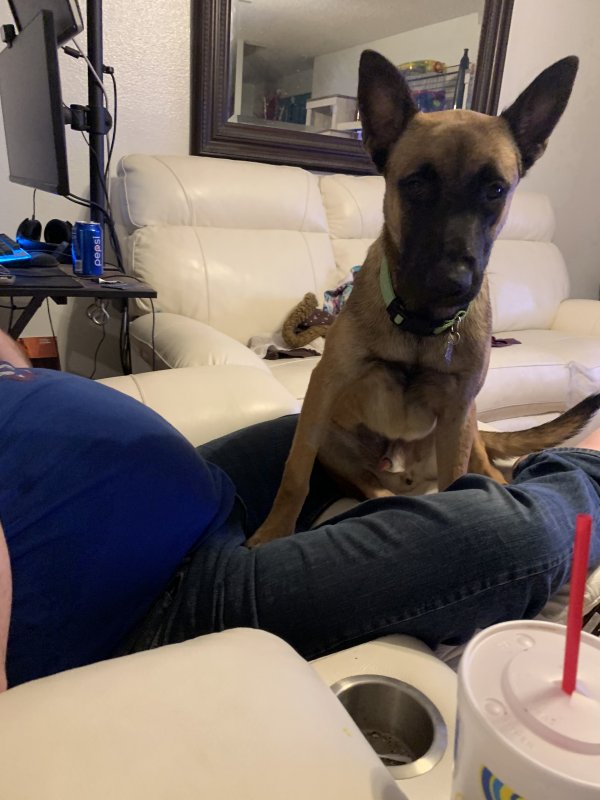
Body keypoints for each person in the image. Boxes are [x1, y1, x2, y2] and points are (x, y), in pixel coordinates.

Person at [0, 330, 599, 692]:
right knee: (515, 539)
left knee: (321, 432)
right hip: (158, 599)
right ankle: (586, 468)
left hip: (192, 488)